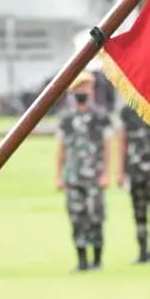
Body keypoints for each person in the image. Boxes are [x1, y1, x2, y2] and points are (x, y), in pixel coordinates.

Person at [56, 72, 111, 271]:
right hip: (73, 176)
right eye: (79, 89)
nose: (83, 92)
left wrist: (106, 173)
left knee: (96, 216)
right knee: (77, 218)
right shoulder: (66, 119)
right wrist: (59, 176)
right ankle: (81, 261)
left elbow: (107, 146)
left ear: (92, 90)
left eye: (86, 88)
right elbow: (61, 149)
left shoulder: (100, 117)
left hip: (95, 176)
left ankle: (97, 260)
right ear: (73, 92)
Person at [117, 104, 150, 263]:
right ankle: (142, 253)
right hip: (135, 172)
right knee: (139, 215)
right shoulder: (127, 111)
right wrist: (121, 171)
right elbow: (123, 142)